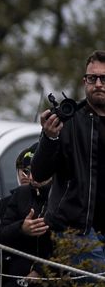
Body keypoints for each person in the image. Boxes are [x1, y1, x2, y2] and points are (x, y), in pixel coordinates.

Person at [33, 49, 105, 272]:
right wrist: (50, 137)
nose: (98, 84)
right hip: (76, 229)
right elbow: (39, 173)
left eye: (104, 78)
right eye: (92, 78)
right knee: (97, 285)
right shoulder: (69, 120)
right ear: (85, 81)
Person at [0, 148, 53, 287]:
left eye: (37, 170)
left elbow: (67, 243)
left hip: (54, 275)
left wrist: (41, 270)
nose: (31, 176)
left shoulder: (62, 195)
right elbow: (2, 235)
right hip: (19, 271)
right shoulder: (21, 194)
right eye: (26, 171)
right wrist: (21, 228)